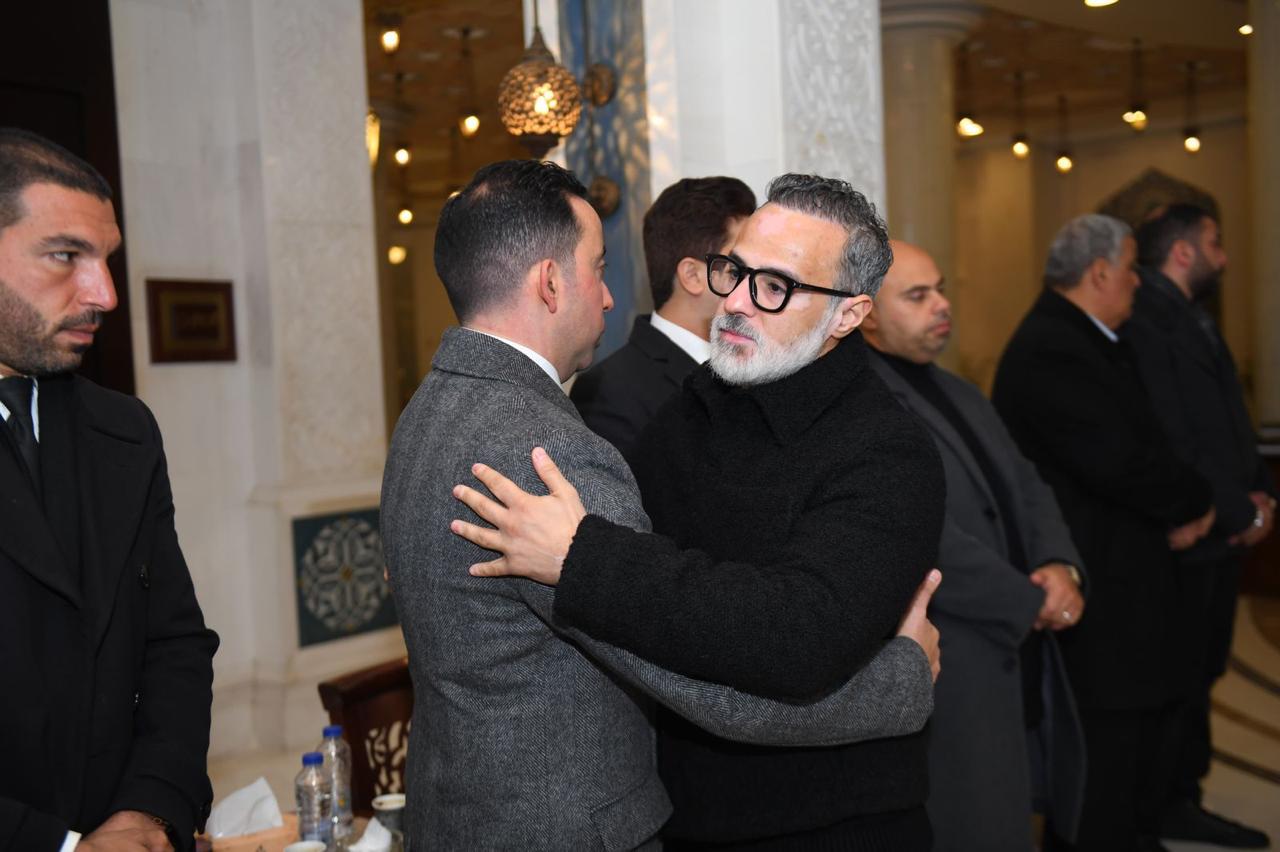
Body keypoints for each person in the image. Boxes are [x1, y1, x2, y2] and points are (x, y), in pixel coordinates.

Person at [380, 160, 942, 851]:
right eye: (733, 271)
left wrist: (582, 558)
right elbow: (681, 660)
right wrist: (900, 681)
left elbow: (790, 642)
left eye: (774, 287)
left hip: (834, 828)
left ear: (848, 314)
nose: (735, 301)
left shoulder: (887, 451)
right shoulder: (682, 414)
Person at [0, 127, 218, 852]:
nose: (105, 294)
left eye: (106, 259)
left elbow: (175, 644)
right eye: (66, 255)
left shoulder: (124, 430)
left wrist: (148, 811)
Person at [991, 213, 1215, 852]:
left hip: (1123, 570)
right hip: (1096, 577)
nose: (1138, 283)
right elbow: (1120, 462)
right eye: (1129, 270)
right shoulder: (1053, 349)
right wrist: (1195, 502)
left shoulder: (1090, 338)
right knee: (1103, 745)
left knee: (1133, 733)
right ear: (1098, 273)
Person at [861, 239, 1087, 851]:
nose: (942, 305)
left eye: (940, 289)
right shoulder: (862, 402)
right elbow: (922, 533)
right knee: (974, 819)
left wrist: (1057, 564)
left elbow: (1026, 483)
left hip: (1016, 639)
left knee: (1022, 803)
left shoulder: (958, 389)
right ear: (867, 314)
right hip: (958, 650)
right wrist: (1027, 600)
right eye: (917, 296)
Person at [1126, 204, 1274, 849]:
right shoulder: (1148, 320)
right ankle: (1170, 803)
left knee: (1204, 671)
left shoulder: (1191, 315)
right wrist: (1241, 511)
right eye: (1215, 242)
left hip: (1221, 527)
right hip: (1193, 534)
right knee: (1182, 678)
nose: (1225, 257)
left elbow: (1227, 420)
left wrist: (1261, 494)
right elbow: (1177, 439)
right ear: (1183, 252)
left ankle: (1184, 793)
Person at [570, 176, 755, 461]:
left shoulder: (756, 361)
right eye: (737, 270)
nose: (755, 285)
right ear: (693, 276)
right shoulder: (609, 391)